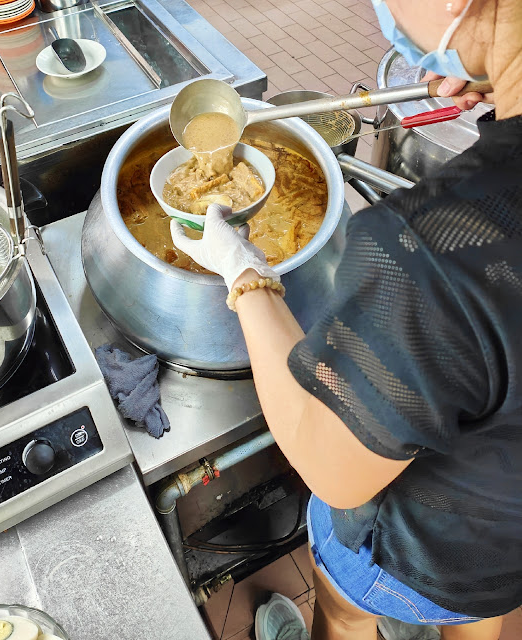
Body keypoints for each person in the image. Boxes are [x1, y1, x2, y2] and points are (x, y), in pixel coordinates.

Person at [170, 1, 522, 639]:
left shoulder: (435, 245)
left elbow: (328, 462)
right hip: (509, 550)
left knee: (345, 608)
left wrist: (243, 272)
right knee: (483, 618)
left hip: (416, 550)